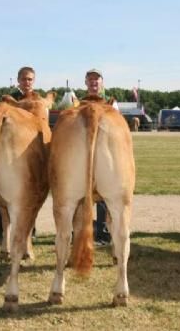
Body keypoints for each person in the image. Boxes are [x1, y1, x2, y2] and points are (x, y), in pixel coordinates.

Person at [0, 66, 37, 240]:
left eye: (30, 79)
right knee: (4, 187)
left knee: (31, 189)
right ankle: (2, 228)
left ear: (33, 81)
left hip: (31, 149)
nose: (27, 82)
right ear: (18, 80)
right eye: (24, 79)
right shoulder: (9, 99)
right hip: (10, 149)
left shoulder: (37, 100)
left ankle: (30, 229)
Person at [82, 68, 118, 245]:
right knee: (82, 192)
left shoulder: (111, 104)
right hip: (83, 154)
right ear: (86, 83)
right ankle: (83, 231)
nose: (93, 82)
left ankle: (103, 231)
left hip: (104, 153)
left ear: (102, 82)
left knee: (104, 193)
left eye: (96, 79)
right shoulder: (78, 103)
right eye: (90, 79)